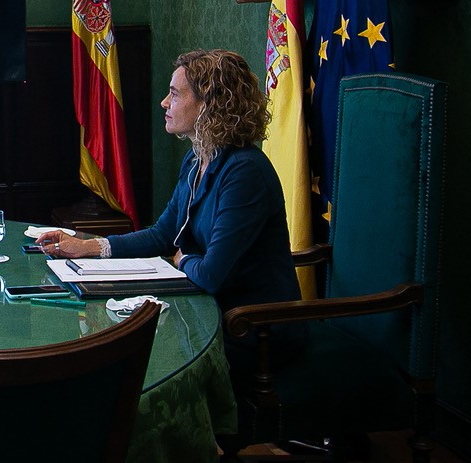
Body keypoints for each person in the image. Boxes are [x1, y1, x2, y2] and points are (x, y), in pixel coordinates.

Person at [38, 50, 303, 353]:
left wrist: (183, 259)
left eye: (175, 94)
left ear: (209, 106)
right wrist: (89, 247)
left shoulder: (244, 173)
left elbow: (212, 275)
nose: (164, 102)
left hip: (250, 328)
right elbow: (164, 234)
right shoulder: (196, 159)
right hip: (205, 314)